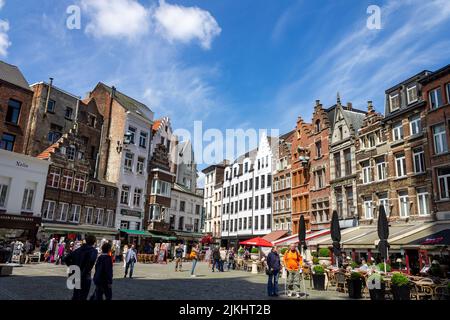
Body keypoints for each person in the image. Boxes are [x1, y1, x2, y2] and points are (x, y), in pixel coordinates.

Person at [65, 235, 98, 300]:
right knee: (83, 295)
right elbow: (91, 262)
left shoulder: (78, 250)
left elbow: (66, 258)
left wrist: (72, 266)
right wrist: (86, 271)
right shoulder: (93, 251)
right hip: (85, 276)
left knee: (76, 294)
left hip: (76, 274)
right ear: (94, 242)